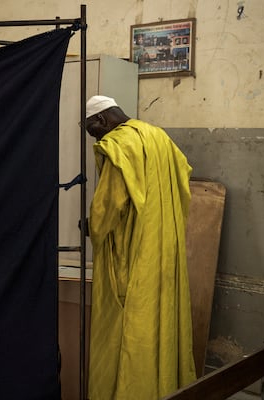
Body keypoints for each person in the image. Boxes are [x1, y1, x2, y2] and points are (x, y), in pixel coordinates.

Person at [84, 95, 196, 399]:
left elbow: (109, 206)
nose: (94, 136)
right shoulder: (158, 136)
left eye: (91, 130)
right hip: (162, 249)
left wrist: (89, 225)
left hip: (133, 255)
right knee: (160, 321)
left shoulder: (121, 145)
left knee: (129, 330)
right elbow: (183, 176)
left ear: (102, 120)